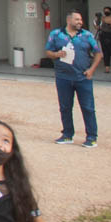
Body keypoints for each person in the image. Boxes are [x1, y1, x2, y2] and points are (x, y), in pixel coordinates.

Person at [46, 10, 102, 148]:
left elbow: (99, 53)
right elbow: (48, 51)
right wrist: (56, 54)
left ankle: (91, 137)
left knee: (88, 108)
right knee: (65, 107)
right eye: (77, 19)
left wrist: (91, 70)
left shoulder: (87, 35)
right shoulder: (56, 34)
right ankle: (67, 134)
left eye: (81, 20)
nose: (80, 22)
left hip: (82, 77)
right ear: (69, 20)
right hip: (63, 77)